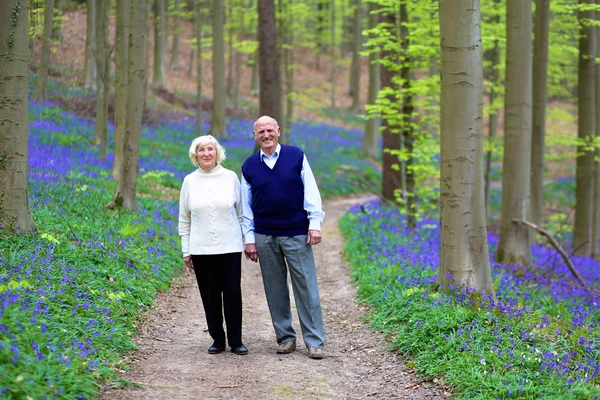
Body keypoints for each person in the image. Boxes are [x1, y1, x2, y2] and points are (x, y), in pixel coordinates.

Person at [241, 115, 326, 359]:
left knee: (307, 288)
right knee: (274, 288)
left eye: (269, 130)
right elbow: (246, 209)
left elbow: (311, 191)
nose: (266, 135)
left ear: (278, 131)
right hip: (265, 236)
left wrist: (314, 224)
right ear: (254, 136)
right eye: (260, 132)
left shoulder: (296, 156)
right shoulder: (248, 166)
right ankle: (285, 338)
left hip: (296, 234)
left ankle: (314, 341)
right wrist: (249, 240)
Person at [178, 135, 248, 356]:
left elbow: (240, 214)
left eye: (210, 149)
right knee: (209, 296)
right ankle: (218, 339)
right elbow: (184, 219)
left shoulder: (230, 178)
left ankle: (236, 340)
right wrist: (186, 250)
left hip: (230, 247)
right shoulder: (189, 181)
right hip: (201, 249)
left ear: (217, 153)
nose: (206, 153)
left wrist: (246, 242)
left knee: (232, 294)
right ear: (195, 155)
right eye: (201, 150)